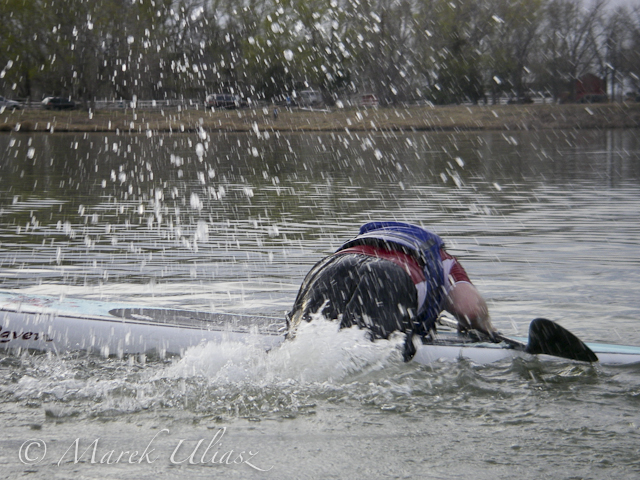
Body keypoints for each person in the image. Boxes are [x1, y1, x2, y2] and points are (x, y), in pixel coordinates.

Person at [286, 221, 495, 358]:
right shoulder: (442, 259)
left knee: (299, 350)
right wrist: (482, 325)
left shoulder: (364, 240)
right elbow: (470, 309)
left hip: (330, 267)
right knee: (362, 368)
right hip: (390, 277)